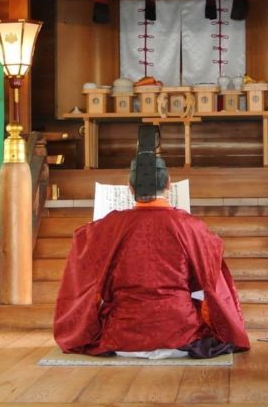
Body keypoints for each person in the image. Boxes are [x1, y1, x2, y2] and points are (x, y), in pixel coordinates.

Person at [53, 126, 250, 358]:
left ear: (130, 188)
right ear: (169, 185)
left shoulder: (108, 226)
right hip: (179, 333)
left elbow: (84, 257)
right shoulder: (191, 226)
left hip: (123, 335)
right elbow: (208, 275)